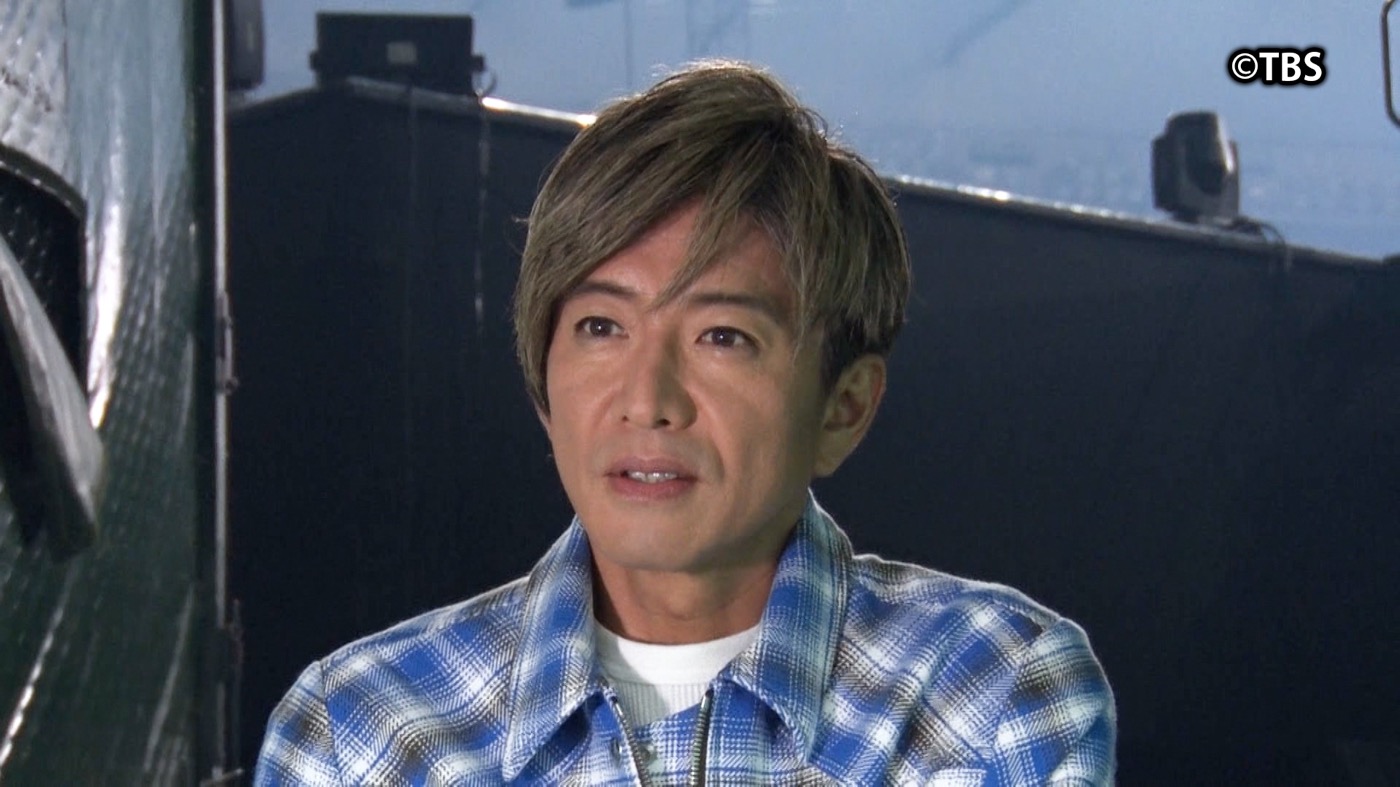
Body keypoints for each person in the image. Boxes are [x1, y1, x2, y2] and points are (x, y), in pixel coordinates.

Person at [255, 60, 1116, 785]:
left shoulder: (992, 693)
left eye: (722, 336)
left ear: (844, 406)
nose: (647, 398)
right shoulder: (363, 731)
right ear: (543, 381)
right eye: (601, 327)